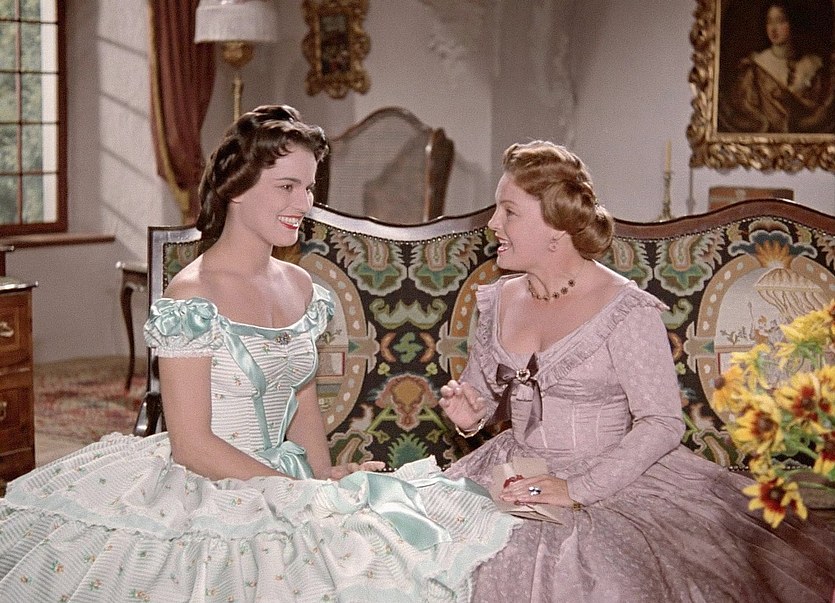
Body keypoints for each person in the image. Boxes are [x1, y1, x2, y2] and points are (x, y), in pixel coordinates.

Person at [0, 105, 517, 602]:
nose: (304, 203)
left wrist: (320, 478)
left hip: (288, 478)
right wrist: (295, 488)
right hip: (207, 483)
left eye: (309, 187)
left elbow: (304, 401)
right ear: (236, 188)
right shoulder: (192, 297)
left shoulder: (302, 287)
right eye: (287, 187)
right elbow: (192, 445)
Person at [439, 140, 835, 602]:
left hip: (612, 478)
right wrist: (471, 415)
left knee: (602, 579)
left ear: (555, 227)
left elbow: (662, 422)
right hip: (512, 468)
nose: (493, 224)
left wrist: (577, 488)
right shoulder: (500, 298)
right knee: (436, 546)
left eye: (509, 211)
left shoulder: (625, 310)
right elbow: (484, 392)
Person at [719, 0, 835, 133]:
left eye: (780, 21)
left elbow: (821, 114)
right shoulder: (755, 68)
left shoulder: (814, 67)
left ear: (793, 22)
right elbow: (745, 111)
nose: (773, 29)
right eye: (769, 22)